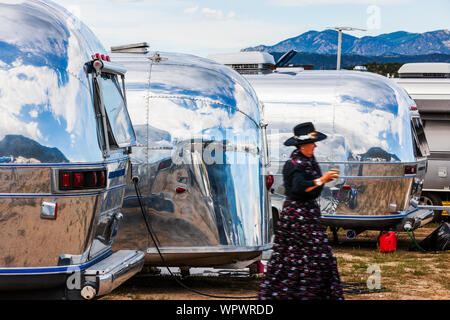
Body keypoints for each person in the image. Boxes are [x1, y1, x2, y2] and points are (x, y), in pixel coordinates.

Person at [259, 122, 344, 300]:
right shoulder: (294, 164)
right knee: (295, 254)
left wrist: (321, 182)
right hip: (297, 216)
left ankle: (317, 293)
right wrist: (322, 180)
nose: (314, 146)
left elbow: (313, 188)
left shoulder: (310, 161)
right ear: (302, 145)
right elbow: (299, 187)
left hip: (310, 213)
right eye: (312, 143)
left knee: (318, 254)